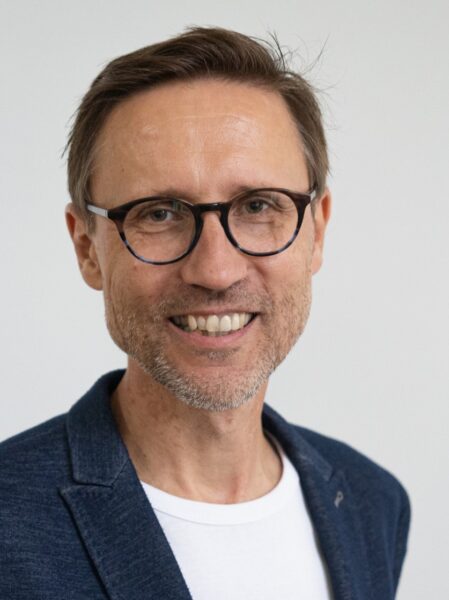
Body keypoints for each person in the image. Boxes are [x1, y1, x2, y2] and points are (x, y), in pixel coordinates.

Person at [0, 26, 410, 600]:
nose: (215, 271)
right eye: (159, 213)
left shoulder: (373, 503)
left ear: (316, 232)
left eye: (258, 206)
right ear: (87, 247)